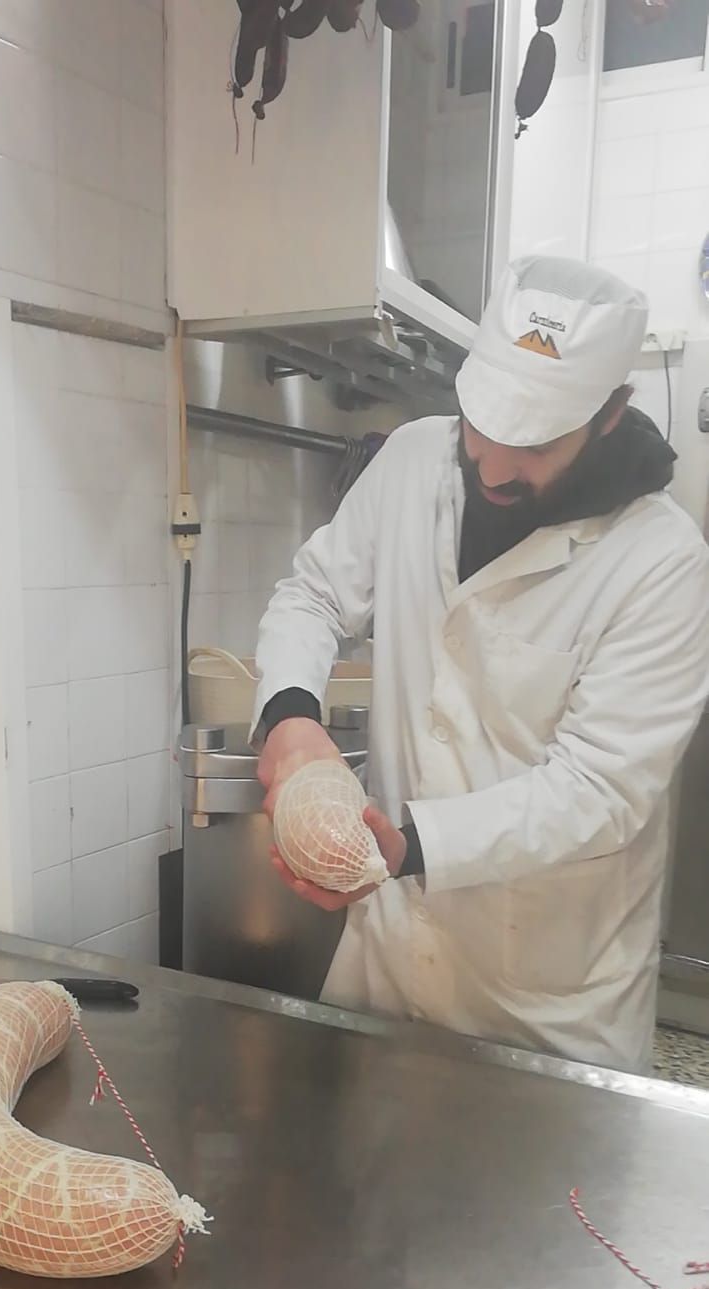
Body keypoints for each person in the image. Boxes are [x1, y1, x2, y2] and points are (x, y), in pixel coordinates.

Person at [251, 256, 709, 1068]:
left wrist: (410, 848)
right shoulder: (412, 461)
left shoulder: (660, 560)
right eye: (481, 425)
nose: (494, 465)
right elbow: (314, 593)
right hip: (386, 968)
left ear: (610, 414)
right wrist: (289, 717)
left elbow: (600, 789)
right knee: (362, 1181)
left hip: (543, 999)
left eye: (535, 442)